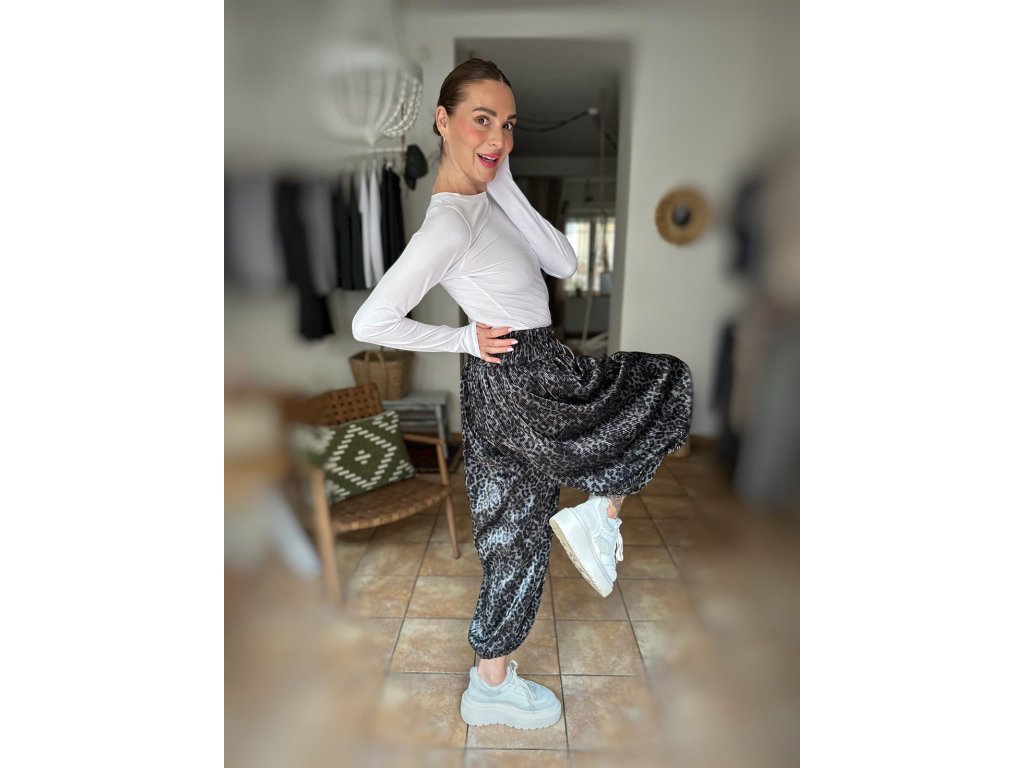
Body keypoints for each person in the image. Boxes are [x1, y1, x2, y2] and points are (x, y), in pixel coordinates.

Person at [352, 58, 693, 730]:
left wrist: (504, 182)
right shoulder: (449, 225)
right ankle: (602, 512)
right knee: (663, 381)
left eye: (508, 125)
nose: (498, 137)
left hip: (505, 382)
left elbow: (564, 261)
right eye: (482, 120)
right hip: (519, 374)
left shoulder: (489, 201)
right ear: (443, 120)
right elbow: (372, 322)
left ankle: (490, 683)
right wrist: (462, 338)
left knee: (514, 535)